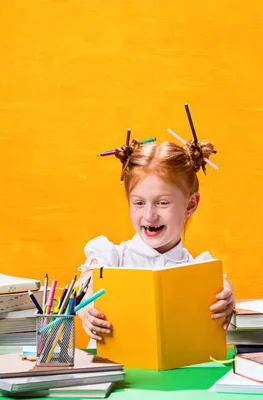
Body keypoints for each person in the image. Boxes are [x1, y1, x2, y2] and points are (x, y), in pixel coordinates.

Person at [76, 136, 235, 342]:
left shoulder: (199, 269)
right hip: (114, 371)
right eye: (139, 203)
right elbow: (85, 282)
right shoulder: (112, 257)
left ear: (190, 205)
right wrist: (86, 306)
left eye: (162, 202)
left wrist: (226, 296)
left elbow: (221, 286)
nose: (149, 215)